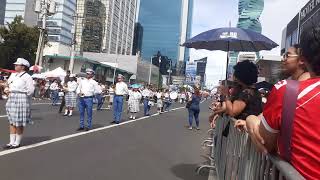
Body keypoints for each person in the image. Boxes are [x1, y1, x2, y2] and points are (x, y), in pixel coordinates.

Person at [245, 26, 320, 180]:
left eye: (287, 55)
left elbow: (265, 143)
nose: (283, 59)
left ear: (303, 58)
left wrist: (250, 120)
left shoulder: (287, 90)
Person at [4, 58, 35, 149]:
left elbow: (30, 91)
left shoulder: (27, 77)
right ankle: (11, 141)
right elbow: (7, 84)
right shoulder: (13, 75)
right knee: (12, 121)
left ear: (23, 67)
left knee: (19, 122)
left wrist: (21, 93)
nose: (15, 66)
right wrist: (7, 90)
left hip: (21, 98)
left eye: (17, 65)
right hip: (11, 97)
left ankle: (17, 142)